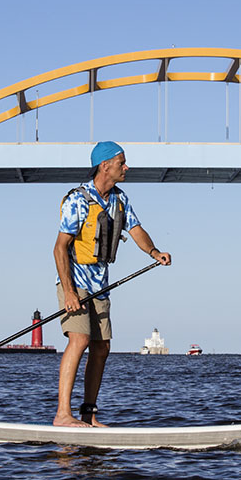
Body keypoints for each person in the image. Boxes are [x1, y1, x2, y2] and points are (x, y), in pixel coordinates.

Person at [53, 141, 171, 427]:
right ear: (105, 165)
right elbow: (59, 248)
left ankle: (88, 414)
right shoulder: (78, 200)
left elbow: (136, 229)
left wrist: (155, 252)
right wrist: (68, 291)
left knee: (102, 347)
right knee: (79, 339)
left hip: (100, 286)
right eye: (122, 163)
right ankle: (62, 415)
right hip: (75, 283)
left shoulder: (120, 199)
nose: (126, 167)